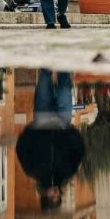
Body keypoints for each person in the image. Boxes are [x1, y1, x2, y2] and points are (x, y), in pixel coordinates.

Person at [15, 70, 84, 209]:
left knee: (44, 81)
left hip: (42, 120)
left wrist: (32, 129)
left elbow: (21, 148)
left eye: (51, 197)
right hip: (62, 122)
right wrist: (70, 131)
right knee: (64, 89)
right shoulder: (68, 172)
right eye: (57, 196)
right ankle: (64, 63)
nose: (55, 193)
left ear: (44, 195)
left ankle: (46, 57)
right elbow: (79, 150)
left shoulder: (33, 171)